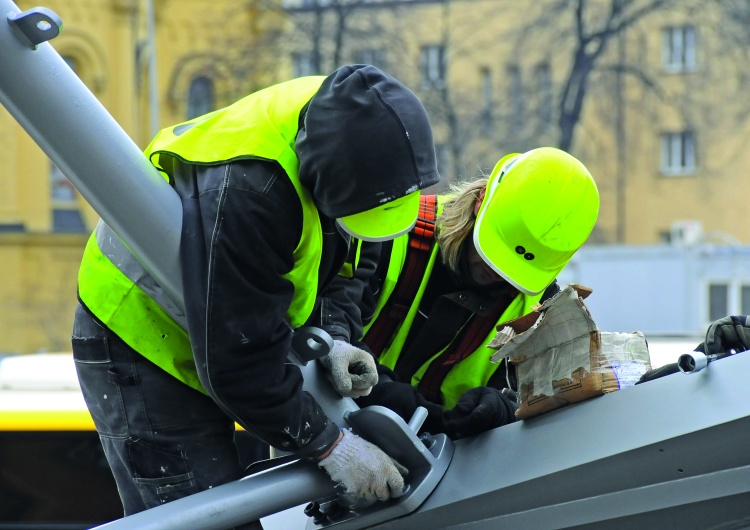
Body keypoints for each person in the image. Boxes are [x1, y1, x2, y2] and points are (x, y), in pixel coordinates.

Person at [71, 64, 440, 516]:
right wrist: (331, 447)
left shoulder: (355, 132)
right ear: (323, 177)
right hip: (138, 328)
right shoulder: (250, 194)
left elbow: (347, 257)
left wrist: (334, 335)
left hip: (218, 309)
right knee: (199, 516)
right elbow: (239, 364)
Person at [312, 147, 600, 438]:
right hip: (326, 429)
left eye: (513, 270)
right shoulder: (391, 230)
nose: (497, 271)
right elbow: (327, 321)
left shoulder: (540, 308)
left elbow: (545, 400)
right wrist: (381, 389)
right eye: (493, 250)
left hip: (448, 470)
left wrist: (503, 408)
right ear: (479, 202)